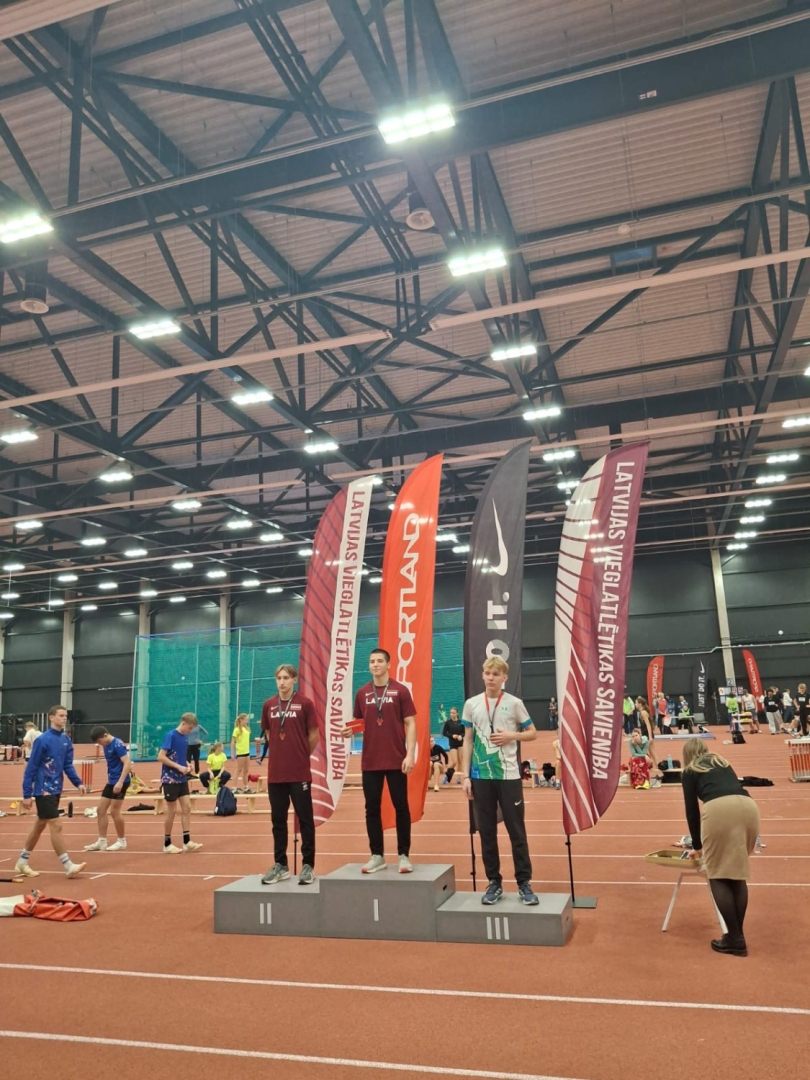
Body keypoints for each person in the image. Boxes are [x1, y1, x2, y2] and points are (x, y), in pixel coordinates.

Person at [460, 656, 540, 906]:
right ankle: (494, 882)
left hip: (509, 776)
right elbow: (468, 740)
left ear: (504, 677)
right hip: (481, 777)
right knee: (487, 832)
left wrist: (511, 736)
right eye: (487, 673)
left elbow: (533, 733)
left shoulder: (514, 703)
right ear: (482, 675)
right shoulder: (472, 704)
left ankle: (524, 883)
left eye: (496, 674)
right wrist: (465, 775)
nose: (491, 678)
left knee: (516, 831)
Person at [681, 737, 760, 956]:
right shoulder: (721, 761)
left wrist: (697, 845)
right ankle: (736, 936)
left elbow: (691, 810)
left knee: (717, 873)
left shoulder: (689, 771)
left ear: (686, 755)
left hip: (719, 809)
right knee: (737, 872)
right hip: (748, 806)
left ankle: (735, 938)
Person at [343, 647, 416, 874]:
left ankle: (403, 855)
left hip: (396, 759)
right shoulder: (362, 693)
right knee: (371, 809)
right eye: (372, 661)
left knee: (401, 807)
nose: (375, 664)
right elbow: (359, 722)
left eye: (379, 661)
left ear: (389, 664)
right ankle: (377, 855)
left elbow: (411, 723)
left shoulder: (401, 691)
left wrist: (410, 754)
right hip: (371, 760)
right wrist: (350, 730)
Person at [260, 664, 320, 886]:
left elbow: (314, 735)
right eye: (278, 678)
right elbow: (269, 733)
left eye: (286, 678)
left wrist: (301, 755)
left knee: (305, 819)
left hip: (299, 773)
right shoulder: (269, 705)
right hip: (276, 774)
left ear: (294, 680)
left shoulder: (305, 704)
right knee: (278, 820)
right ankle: (280, 865)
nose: (282, 682)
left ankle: (308, 865)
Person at [15, 704, 87, 879]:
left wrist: (78, 782)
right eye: (61, 715)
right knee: (56, 824)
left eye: (65, 715)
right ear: (51, 717)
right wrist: (27, 794)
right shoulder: (42, 740)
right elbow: (31, 767)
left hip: (56, 789)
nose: (64, 718)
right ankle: (68, 865)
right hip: (43, 789)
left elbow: (67, 765)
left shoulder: (66, 740)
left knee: (40, 824)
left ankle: (22, 862)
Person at [157, 712, 203, 854]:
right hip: (170, 778)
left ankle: (186, 841)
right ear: (183, 723)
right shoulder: (170, 735)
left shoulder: (185, 737)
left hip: (182, 778)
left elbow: (180, 756)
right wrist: (178, 767)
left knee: (187, 808)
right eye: (189, 728)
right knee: (172, 811)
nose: (190, 731)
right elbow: (161, 757)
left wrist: (188, 764)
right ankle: (167, 843)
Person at [84, 726, 132, 852]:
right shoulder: (106, 744)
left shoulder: (117, 744)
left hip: (121, 781)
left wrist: (120, 782)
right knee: (100, 810)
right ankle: (102, 841)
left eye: (100, 741)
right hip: (111, 781)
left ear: (105, 735)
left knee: (115, 811)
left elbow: (127, 763)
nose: (100, 744)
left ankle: (122, 841)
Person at [441, 705, 464, 783]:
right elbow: (444, 733)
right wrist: (452, 736)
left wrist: (461, 736)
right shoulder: (448, 723)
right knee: (454, 761)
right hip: (452, 744)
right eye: (451, 713)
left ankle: (458, 778)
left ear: (457, 713)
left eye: (453, 713)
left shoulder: (461, 722)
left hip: (460, 743)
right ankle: (446, 775)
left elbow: (464, 732)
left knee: (460, 761)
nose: (452, 714)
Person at [230, 712, 252, 792]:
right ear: (241, 720)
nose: (247, 721)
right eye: (246, 720)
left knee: (246, 770)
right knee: (238, 770)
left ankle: (246, 787)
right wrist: (232, 754)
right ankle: (234, 788)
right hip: (241, 752)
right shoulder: (236, 729)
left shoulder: (247, 729)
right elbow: (233, 742)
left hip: (247, 752)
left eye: (247, 720)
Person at [635, 696, 657, 766]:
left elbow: (648, 725)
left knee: (652, 752)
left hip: (647, 735)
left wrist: (650, 737)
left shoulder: (643, 712)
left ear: (640, 704)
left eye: (636, 703)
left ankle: (658, 766)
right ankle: (652, 765)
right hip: (645, 734)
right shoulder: (641, 712)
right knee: (650, 752)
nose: (635, 704)